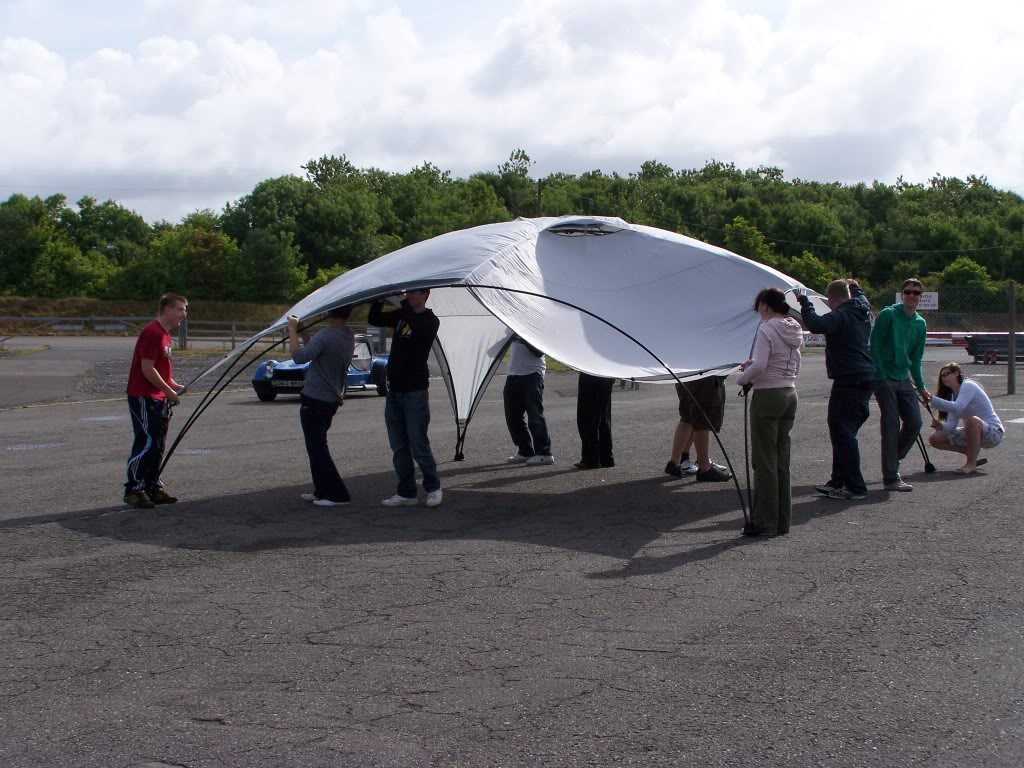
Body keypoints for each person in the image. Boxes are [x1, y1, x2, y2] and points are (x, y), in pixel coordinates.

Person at [798, 279, 876, 501]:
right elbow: (861, 295)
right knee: (844, 432)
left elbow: (815, 324)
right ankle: (838, 480)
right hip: (865, 377)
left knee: (842, 433)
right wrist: (856, 286)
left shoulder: (840, 315)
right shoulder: (862, 306)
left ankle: (855, 486)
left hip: (848, 380)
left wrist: (805, 301)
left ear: (831, 299)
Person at [736, 287, 804, 537]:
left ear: (765, 305)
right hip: (789, 392)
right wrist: (754, 365)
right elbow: (793, 360)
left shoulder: (767, 328)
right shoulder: (794, 328)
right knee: (781, 461)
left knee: (764, 461)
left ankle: (765, 521)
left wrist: (742, 378)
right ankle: (782, 521)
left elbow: (762, 364)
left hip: (768, 396)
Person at [369, 290, 443, 507]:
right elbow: (375, 319)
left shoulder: (430, 320)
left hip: (415, 392)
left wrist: (403, 302)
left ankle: (433, 487)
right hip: (395, 391)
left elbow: (418, 328)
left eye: (413, 293)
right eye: (407, 293)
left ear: (424, 295)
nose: (408, 295)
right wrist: (379, 298)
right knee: (398, 445)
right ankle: (406, 492)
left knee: (418, 443)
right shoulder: (402, 316)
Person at [123, 293, 188, 509]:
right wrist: (169, 391)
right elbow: (147, 369)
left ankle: (152, 486)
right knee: (147, 442)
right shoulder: (152, 333)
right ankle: (134, 488)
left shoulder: (166, 335)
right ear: (167, 309)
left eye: (184, 310)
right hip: (143, 396)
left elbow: (162, 371)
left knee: (158, 444)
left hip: (158, 397)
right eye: (180, 309)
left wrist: (174, 386)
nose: (183, 314)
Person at [288, 307, 355, 507]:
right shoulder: (347, 335)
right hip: (330, 398)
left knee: (317, 447)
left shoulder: (326, 335)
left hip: (316, 398)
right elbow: (317, 352)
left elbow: (299, 357)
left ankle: (337, 494)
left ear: (327, 312)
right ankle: (321, 489)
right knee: (316, 445)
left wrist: (292, 331)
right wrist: (303, 333)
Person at [870, 278, 929, 492]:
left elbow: (916, 357)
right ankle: (891, 476)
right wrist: (881, 375)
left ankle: (892, 458)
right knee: (891, 424)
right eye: (908, 292)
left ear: (920, 297)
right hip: (886, 378)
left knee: (914, 422)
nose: (911, 296)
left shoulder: (920, 324)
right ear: (901, 294)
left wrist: (921, 387)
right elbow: (874, 344)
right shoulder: (888, 315)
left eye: (916, 293)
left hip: (904, 379)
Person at [927, 362, 1004, 473]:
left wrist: (931, 399)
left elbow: (958, 407)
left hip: (993, 433)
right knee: (935, 438)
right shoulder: (954, 396)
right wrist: (941, 426)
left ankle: (971, 464)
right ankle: (971, 452)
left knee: (971, 420)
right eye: (942, 376)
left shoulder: (968, 385)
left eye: (947, 374)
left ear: (957, 373)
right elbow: (951, 426)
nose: (944, 377)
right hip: (974, 433)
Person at [664, 376, 732, 482]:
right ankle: (704, 467)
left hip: (684, 374)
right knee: (702, 419)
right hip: (703, 375)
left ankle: (674, 462)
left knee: (687, 417)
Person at [504, 335, 554, 466]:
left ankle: (544, 453)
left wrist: (522, 336)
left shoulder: (532, 324)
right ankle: (525, 450)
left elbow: (539, 352)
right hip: (513, 374)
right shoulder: (511, 324)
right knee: (512, 416)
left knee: (535, 415)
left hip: (532, 374)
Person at [575, 372, 615, 469]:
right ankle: (606, 457)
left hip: (591, 373)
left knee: (587, 417)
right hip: (607, 373)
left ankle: (590, 458)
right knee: (604, 416)